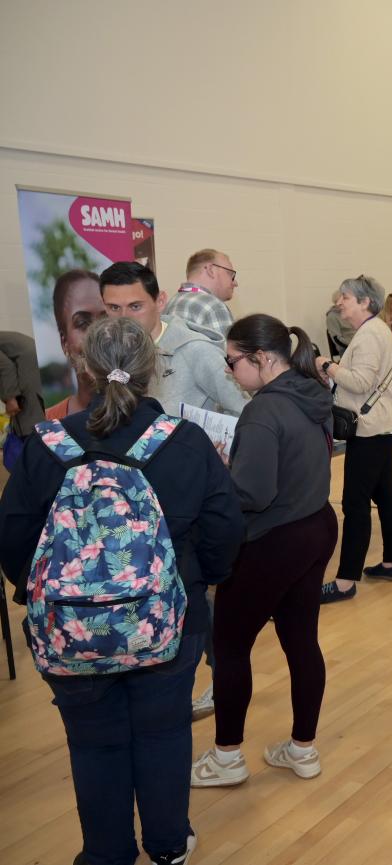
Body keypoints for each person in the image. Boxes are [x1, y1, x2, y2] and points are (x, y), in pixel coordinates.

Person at [0, 316, 243, 865]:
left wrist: (48, 594)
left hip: (70, 629)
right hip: (169, 622)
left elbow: (12, 538)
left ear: (84, 367)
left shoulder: (46, 446)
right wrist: (200, 579)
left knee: (93, 744)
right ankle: (168, 847)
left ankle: (107, 853)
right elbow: (226, 529)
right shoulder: (185, 441)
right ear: (152, 369)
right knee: (164, 733)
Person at [191, 314, 338, 788]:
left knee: (230, 646)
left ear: (261, 358)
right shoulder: (312, 391)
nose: (229, 369)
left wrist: (217, 473)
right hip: (315, 526)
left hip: (273, 540)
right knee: (301, 640)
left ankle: (227, 757)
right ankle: (303, 749)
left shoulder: (262, 412)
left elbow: (252, 494)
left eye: (232, 360)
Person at [316, 275, 392, 603]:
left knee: (355, 504)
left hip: (369, 430)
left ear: (365, 302)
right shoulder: (376, 331)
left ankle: (345, 581)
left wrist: (327, 365)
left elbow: (359, 382)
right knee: (385, 493)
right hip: (383, 426)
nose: (339, 302)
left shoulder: (369, 335)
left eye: (345, 297)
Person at [99, 262, 249, 417]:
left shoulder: (197, 351)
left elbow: (246, 411)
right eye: (114, 308)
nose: (124, 317)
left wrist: (205, 434)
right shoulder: (106, 355)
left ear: (160, 302)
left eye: (135, 306)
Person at [46, 269, 107, 420]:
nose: (97, 334)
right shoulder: (48, 423)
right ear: (64, 342)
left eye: (106, 321)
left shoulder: (147, 417)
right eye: (82, 323)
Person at [167, 248, 238, 343]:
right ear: (211, 270)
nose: (235, 283)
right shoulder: (214, 307)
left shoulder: (170, 304)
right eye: (230, 274)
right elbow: (227, 352)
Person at [0, 331, 47, 468]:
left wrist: (10, 398)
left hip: (26, 368)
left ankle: (33, 467)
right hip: (30, 364)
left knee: (28, 424)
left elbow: (6, 368)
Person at [324, 289, 355, 359]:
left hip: (357, 346)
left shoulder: (349, 313)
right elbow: (337, 339)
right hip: (346, 350)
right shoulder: (332, 317)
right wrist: (353, 345)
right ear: (336, 303)